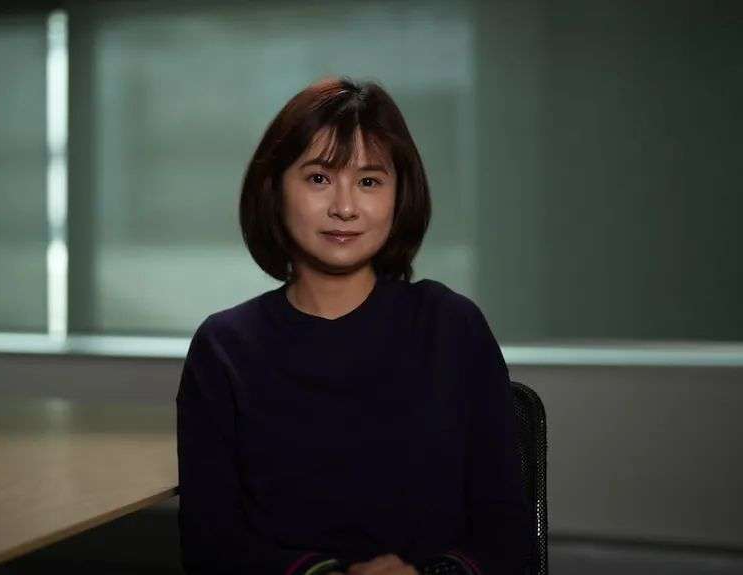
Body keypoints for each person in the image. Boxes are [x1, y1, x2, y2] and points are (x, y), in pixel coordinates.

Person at [175, 76, 534, 575]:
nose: (345, 207)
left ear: (398, 195)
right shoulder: (225, 348)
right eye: (319, 178)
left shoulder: (452, 327)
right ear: (274, 188)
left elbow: (508, 534)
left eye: (369, 181)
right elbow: (210, 544)